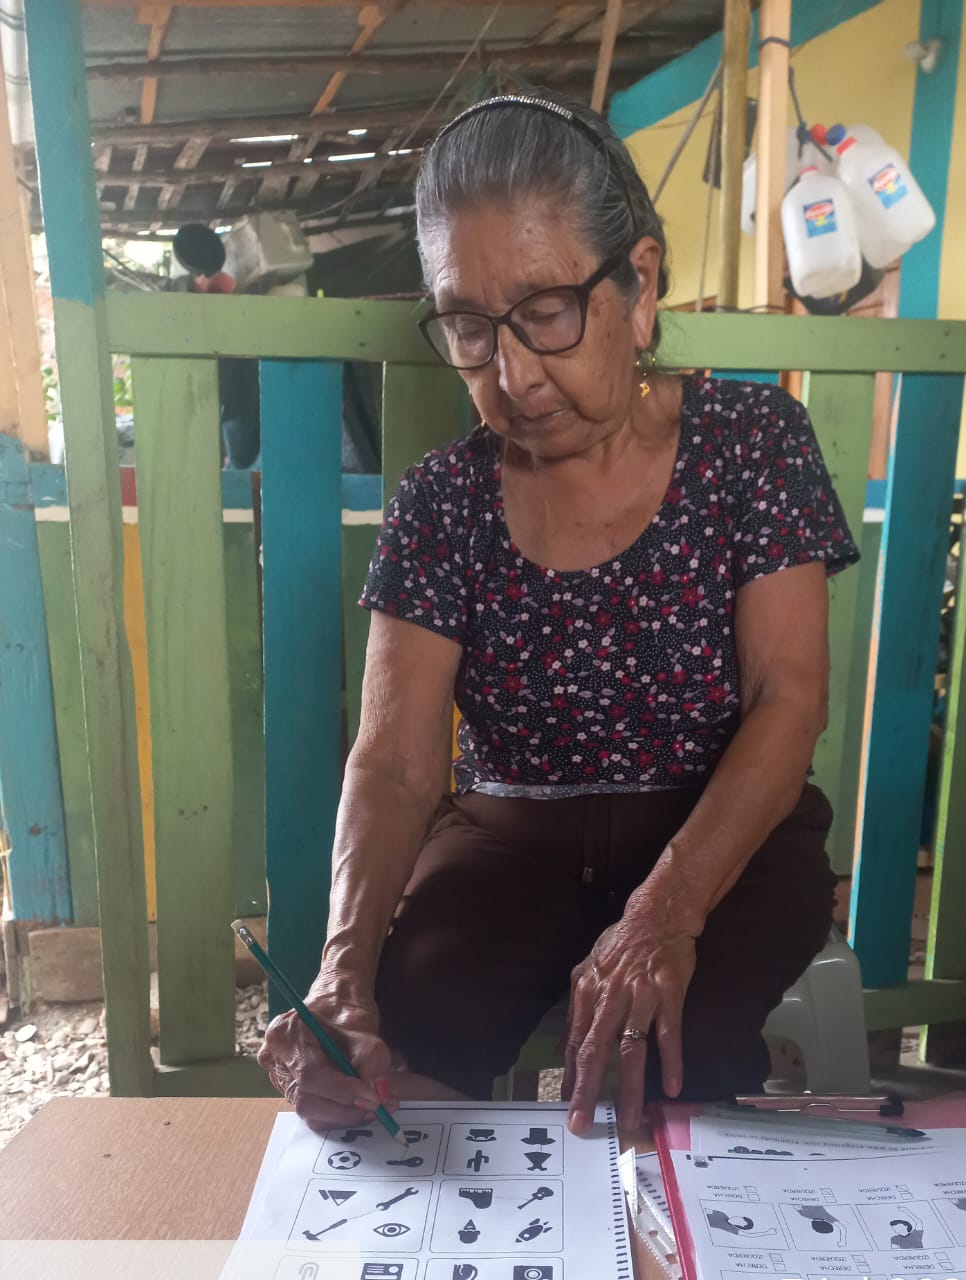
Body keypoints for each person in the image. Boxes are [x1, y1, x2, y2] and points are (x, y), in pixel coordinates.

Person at [258, 93, 858, 1137]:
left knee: (673, 1058)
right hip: (511, 848)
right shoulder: (443, 501)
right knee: (397, 1050)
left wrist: (662, 913)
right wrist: (340, 974)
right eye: (469, 327)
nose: (514, 374)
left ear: (640, 284)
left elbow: (788, 702)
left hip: (720, 841)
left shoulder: (752, 443)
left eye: (545, 312)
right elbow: (395, 762)